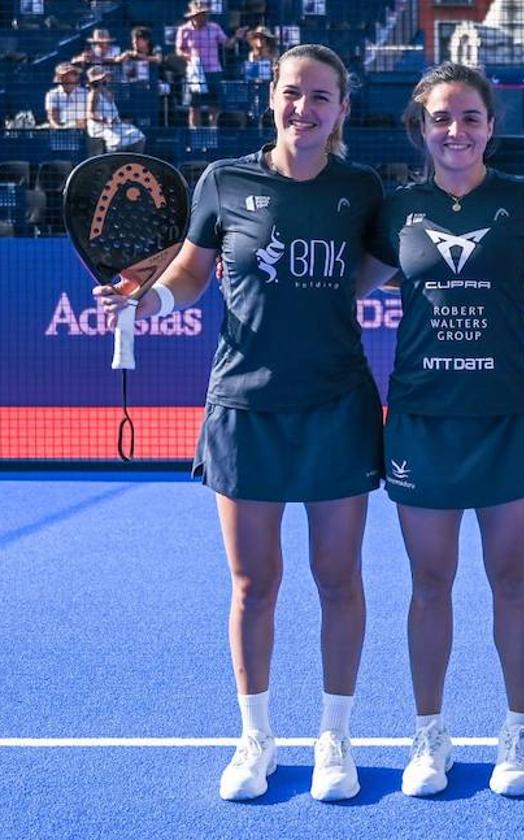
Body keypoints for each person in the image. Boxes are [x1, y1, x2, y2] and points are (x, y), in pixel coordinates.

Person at [92, 43, 388, 804]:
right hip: (244, 409)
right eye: (294, 93)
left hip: (335, 408)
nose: (305, 108)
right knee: (255, 583)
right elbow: (191, 273)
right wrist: (147, 301)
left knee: (337, 580)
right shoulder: (224, 181)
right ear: (273, 98)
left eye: (322, 97)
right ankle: (256, 737)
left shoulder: (362, 189)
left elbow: (377, 267)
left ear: (342, 110)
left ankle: (335, 738)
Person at [355, 62, 524, 799]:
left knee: (511, 582)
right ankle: (429, 734)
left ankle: (518, 730)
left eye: (470, 117)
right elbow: (340, 290)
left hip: (507, 417)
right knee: (429, 584)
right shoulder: (395, 209)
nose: (456, 131)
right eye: (442, 118)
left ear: (491, 126)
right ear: (422, 128)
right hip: (422, 421)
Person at [175, 0, 231, 127]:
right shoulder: (184, 30)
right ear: (193, 16)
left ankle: (212, 133)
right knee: (194, 107)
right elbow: (179, 50)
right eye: (201, 14)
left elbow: (227, 43)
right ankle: (196, 137)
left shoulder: (214, 28)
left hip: (214, 71)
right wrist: (190, 57)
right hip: (195, 73)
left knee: (214, 105)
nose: (204, 16)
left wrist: (237, 37)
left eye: (205, 14)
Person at [84, 65, 145, 152]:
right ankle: (112, 163)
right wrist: (104, 119)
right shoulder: (94, 94)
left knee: (139, 136)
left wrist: (116, 120)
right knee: (116, 142)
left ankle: (133, 162)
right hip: (99, 127)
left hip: (115, 125)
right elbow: (90, 114)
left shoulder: (107, 91)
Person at [45, 62, 87, 128]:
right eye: (65, 75)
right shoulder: (52, 94)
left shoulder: (86, 93)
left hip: (83, 130)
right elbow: (52, 118)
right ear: (59, 78)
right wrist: (60, 129)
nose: (68, 77)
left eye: (72, 74)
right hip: (62, 130)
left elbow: (89, 117)